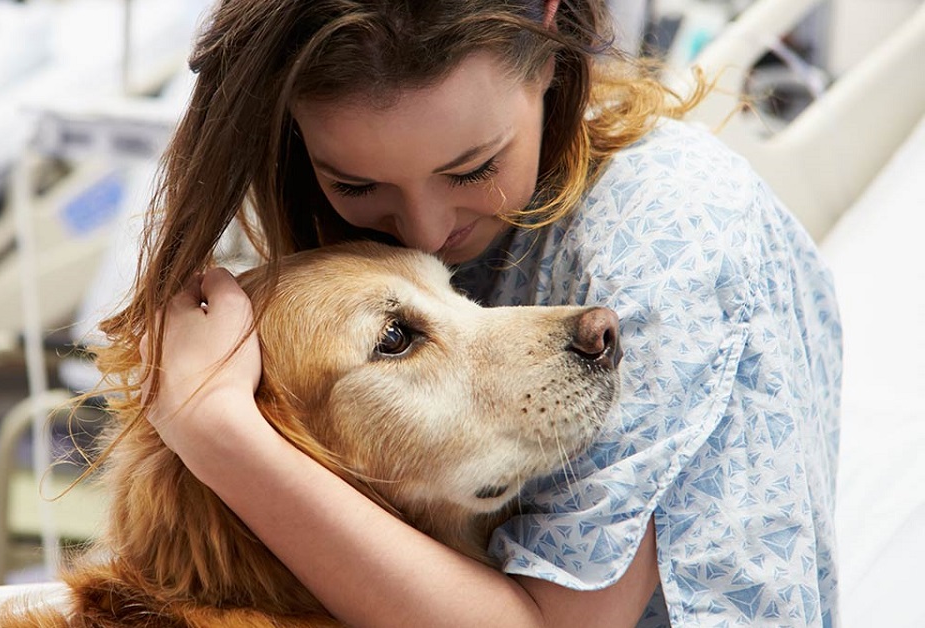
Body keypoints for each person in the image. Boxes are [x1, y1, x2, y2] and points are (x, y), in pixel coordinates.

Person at [103, 1, 842, 626]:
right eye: (355, 184)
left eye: (472, 169)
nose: (423, 232)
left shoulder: (671, 229)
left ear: (551, 46)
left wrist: (214, 429)